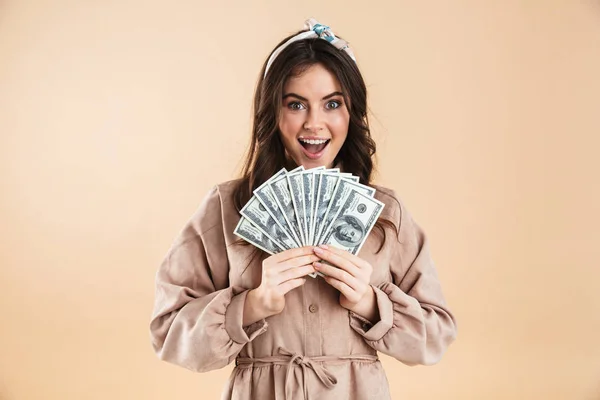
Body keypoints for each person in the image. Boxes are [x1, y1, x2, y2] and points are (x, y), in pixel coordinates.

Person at [150, 18, 457, 400]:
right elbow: (168, 331)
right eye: (295, 104)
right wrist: (252, 304)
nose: (314, 123)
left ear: (353, 113)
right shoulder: (227, 208)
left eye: (332, 104)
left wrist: (369, 302)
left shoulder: (384, 212)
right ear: (272, 113)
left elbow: (436, 334)